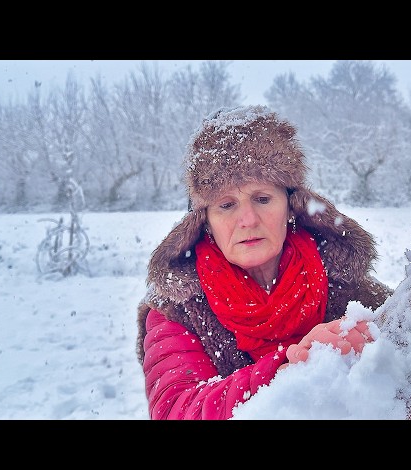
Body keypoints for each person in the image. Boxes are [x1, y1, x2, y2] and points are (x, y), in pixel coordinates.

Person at [136, 105, 393, 420]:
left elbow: (404, 394)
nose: (247, 219)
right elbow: (178, 409)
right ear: (204, 221)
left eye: (262, 199)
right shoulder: (178, 309)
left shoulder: (352, 292)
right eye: (227, 205)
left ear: (290, 206)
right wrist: (291, 367)